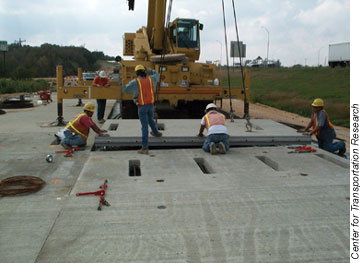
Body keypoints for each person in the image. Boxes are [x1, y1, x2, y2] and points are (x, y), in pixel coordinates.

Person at [123, 65, 162, 154]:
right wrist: (149, 69)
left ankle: (144, 148)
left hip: (142, 107)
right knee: (150, 119)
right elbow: (157, 73)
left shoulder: (135, 82)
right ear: (145, 71)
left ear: (136, 73)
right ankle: (156, 133)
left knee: (144, 126)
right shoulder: (152, 79)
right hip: (150, 105)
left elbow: (125, 89)